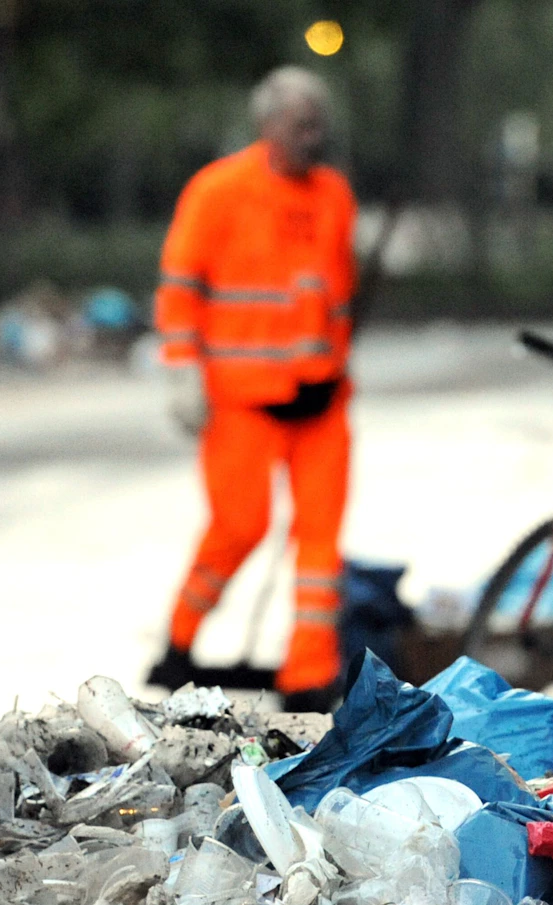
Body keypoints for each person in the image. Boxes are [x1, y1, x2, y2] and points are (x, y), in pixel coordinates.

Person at [146, 67, 357, 712]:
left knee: (320, 542)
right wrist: (183, 373)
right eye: (301, 125)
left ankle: (308, 676)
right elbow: (180, 289)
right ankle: (178, 644)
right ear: (268, 126)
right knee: (240, 525)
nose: (313, 137)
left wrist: (338, 369)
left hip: (320, 402)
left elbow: (335, 300)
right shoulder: (217, 192)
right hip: (242, 400)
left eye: (319, 124)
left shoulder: (335, 197)